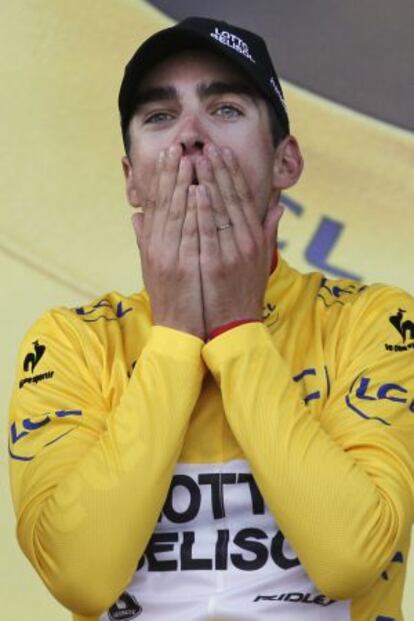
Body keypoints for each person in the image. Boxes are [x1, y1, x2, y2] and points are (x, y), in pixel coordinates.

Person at [8, 16, 414, 621]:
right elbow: (81, 578)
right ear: (130, 178)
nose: (190, 137)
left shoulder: (376, 321)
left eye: (225, 109)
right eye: (158, 117)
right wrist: (173, 335)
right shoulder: (71, 341)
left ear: (286, 163)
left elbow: (350, 559)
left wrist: (234, 328)